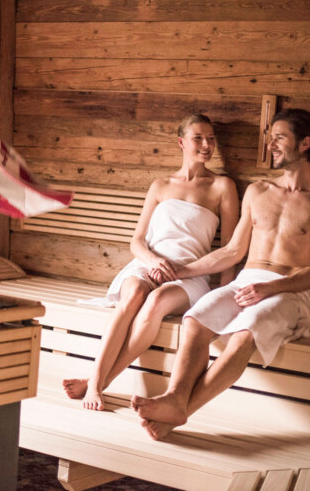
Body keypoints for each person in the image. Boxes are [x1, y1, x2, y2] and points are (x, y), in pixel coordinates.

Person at [132, 108, 310, 440]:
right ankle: (173, 398)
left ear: (305, 144)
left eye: (279, 138)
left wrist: (273, 288)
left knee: (247, 331)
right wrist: (182, 272)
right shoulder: (258, 191)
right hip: (248, 281)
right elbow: (232, 252)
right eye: (269, 137)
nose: (270, 145)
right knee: (195, 319)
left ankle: (180, 413)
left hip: (290, 291)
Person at [62, 114, 239, 411]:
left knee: (155, 302)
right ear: (182, 142)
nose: (207, 145)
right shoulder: (160, 185)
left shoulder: (222, 186)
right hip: (149, 264)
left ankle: (99, 383)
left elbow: (230, 250)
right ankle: (94, 382)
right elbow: (137, 241)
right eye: (198, 138)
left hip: (189, 275)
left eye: (211, 139)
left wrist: (225, 296)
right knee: (133, 294)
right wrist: (154, 261)